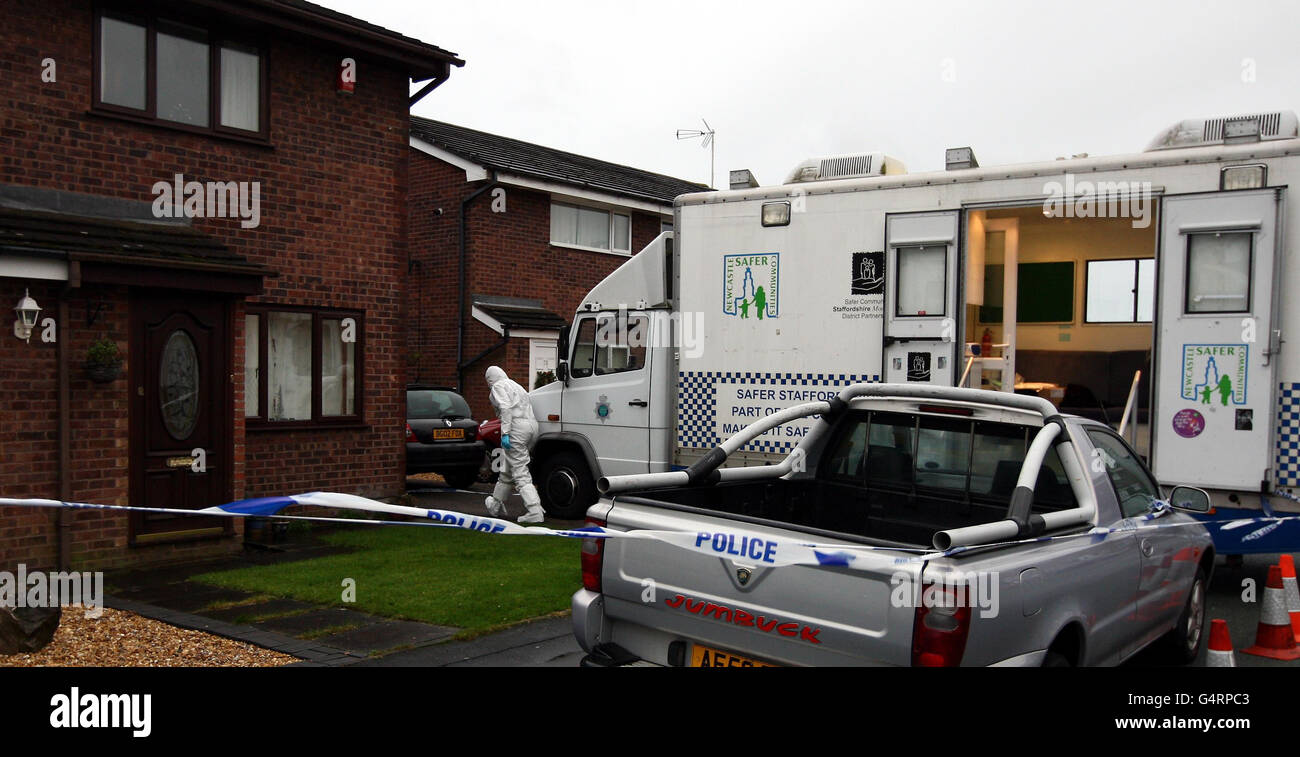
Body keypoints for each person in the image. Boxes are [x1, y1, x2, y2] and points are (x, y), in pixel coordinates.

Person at [483, 366, 544, 523]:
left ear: (490, 379)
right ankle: (495, 505)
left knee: (519, 471)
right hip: (532, 427)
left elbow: (505, 408)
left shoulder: (498, 386)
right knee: (506, 470)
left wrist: (505, 433)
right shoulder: (516, 385)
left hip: (516, 428)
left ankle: (534, 510)